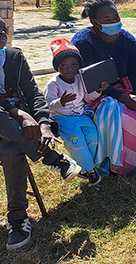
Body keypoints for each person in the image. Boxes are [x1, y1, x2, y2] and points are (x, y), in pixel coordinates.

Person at [0, 14, 81, 250]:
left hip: (17, 131)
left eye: (5, 29)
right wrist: (19, 114)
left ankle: (17, 221)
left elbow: (33, 93)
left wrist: (43, 122)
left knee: (11, 149)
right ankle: (55, 159)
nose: (3, 33)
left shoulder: (14, 57)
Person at [72, 0, 136, 176]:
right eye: (107, 20)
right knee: (120, 118)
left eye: (116, 17)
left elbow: (134, 72)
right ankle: (114, 163)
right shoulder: (83, 42)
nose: (114, 22)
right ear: (94, 21)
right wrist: (123, 98)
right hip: (96, 92)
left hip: (126, 87)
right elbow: (90, 79)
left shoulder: (127, 39)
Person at [44, 38, 107, 186]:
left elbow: (86, 97)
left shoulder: (80, 78)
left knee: (92, 136)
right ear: (56, 67)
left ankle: (85, 165)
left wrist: (98, 90)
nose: (69, 69)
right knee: (76, 140)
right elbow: (47, 106)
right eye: (63, 65)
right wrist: (61, 102)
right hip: (63, 117)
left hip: (80, 114)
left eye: (74, 65)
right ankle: (90, 172)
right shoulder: (53, 84)